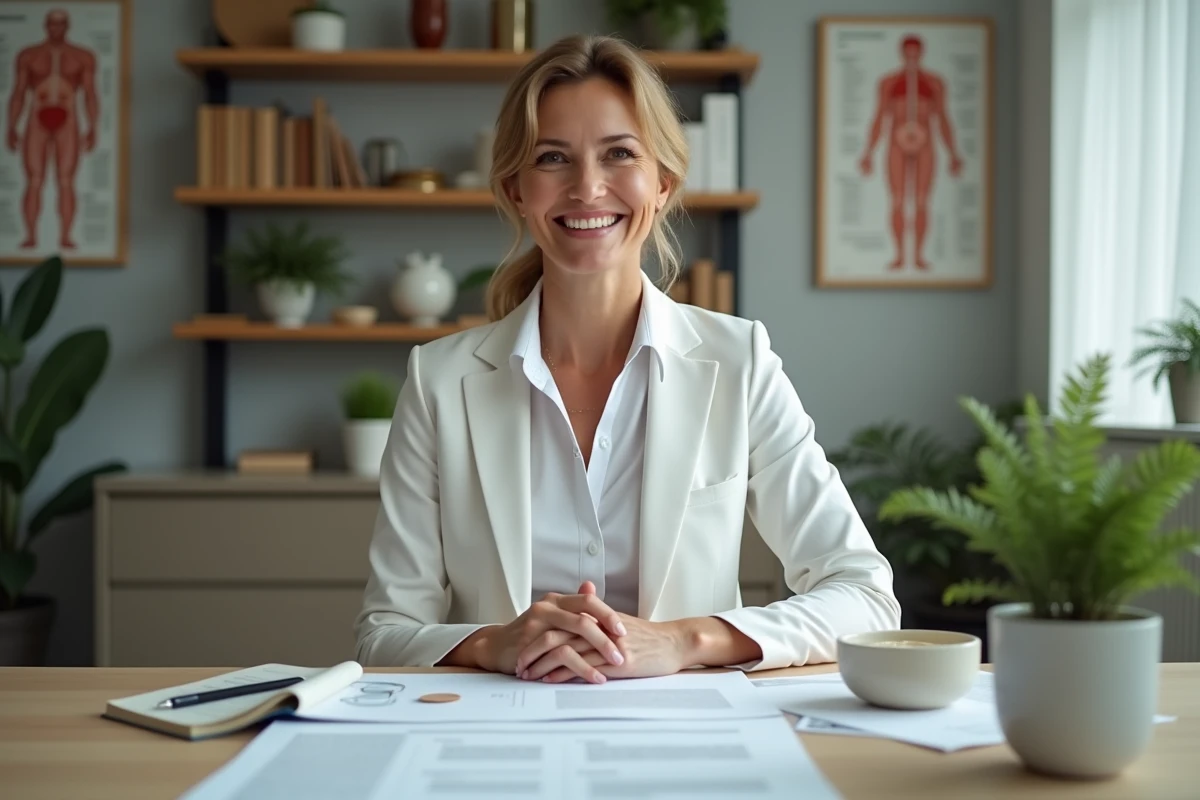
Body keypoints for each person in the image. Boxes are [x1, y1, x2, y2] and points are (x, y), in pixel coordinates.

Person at [354, 34, 900, 684]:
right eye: (553, 158)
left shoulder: (739, 361)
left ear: (663, 183)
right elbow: (384, 632)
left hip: (690, 744)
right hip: (501, 742)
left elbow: (865, 596)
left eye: (619, 154)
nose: (587, 187)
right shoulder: (440, 380)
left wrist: (685, 640)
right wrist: (493, 644)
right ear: (516, 190)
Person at [858, 34, 963, 271]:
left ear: (921, 53)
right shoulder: (889, 83)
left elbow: (943, 119)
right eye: (908, 53)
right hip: (896, 143)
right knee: (897, 200)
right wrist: (868, 153)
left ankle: (917, 256)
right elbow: (879, 118)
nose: (912, 58)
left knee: (922, 201)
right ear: (902, 53)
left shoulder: (934, 83)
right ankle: (899, 255)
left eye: (916, 53)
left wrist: (953, 153)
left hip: (925, 143)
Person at [5, 9, 99, 251]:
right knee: (34, 179)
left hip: (68, 119)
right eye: (51, 24)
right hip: (37, 118)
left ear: (67, 26)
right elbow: (18, 92)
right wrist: (11, 125)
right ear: (45, 26)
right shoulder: (29, 55)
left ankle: (65, 235)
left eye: (59, 24)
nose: (55, 29)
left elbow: (90, 94)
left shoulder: (82, 56)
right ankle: (31, 235)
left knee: (66, 179)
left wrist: (93, 126)